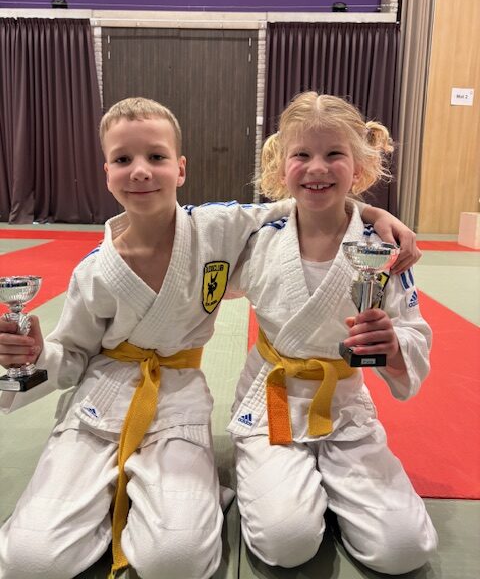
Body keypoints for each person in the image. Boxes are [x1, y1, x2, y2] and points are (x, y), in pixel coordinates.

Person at [0, 97, 420, 579]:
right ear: (107, 172)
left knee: (180, 561)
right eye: (123, 159)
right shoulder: (97, 270)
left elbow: (308, 201)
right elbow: (71, 354)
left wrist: (369, 213)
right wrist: (34, 355)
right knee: (29, 561)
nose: (141, 170)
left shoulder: (220, 231)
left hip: (197, 401)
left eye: (156, 156)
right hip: (109, 402)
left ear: (180, 168)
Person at [226, 92, 438, 575]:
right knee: (287, 543)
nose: (317, 167)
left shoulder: (382, 247)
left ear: (359, 168)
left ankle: (327, 490)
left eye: (334, 154)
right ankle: (287, 487)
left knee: (405, 549)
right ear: (281, 166)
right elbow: (196, 253)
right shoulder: (258, 235)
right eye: (302, 154)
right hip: (273, 402)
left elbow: (415, 331)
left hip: (343, 407)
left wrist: (393, 345)